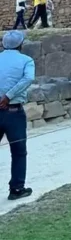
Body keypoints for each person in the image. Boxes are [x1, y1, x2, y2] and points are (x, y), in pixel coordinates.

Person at [0, 30, 35, 200]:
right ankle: (16, 189)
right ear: (21, 44)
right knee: (19, 151)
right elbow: (28, 78)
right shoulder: (26, 61)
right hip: (14, 111)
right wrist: (8, 96)